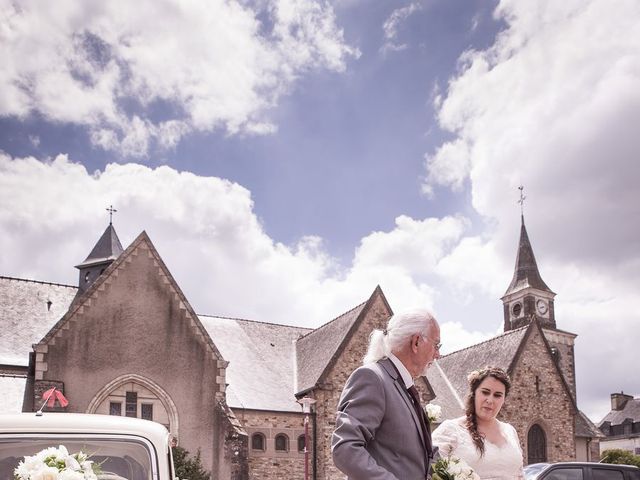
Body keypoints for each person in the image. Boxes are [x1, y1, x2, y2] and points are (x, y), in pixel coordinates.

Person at [331, 308, 441, 479]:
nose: (438, 354)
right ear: (416, 342)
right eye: (436, 345)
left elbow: (422, 454)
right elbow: (345, 449)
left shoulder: (405, 386)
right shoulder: (372, 377)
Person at [431, 366, 524, 479]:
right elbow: (429, 472)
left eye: (497, 395)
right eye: (485, 392)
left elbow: (520, 475)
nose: (490, 400)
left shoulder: (510, 431)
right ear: (474, 393)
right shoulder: (450, 429)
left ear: (504, 399)